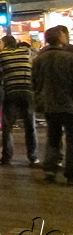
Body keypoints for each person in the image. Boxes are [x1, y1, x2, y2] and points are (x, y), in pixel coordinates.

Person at [32, 26, 73, 184]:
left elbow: (34, 82)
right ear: (61, 38)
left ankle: (50, 168)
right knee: (71, 139)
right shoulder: (69, 58)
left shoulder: (39, 59)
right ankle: (70, 174)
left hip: (49, 104)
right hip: (69, 104)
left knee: (53, 137)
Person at [0, 35, 38, 165]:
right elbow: (35, 56)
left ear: (4, 44)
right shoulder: (25, 51)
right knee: (30, 126)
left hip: (11, 92)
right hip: (27, 91)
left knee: (7, 126)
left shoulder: (0, 54)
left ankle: (7, 157)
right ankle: (33, 157)